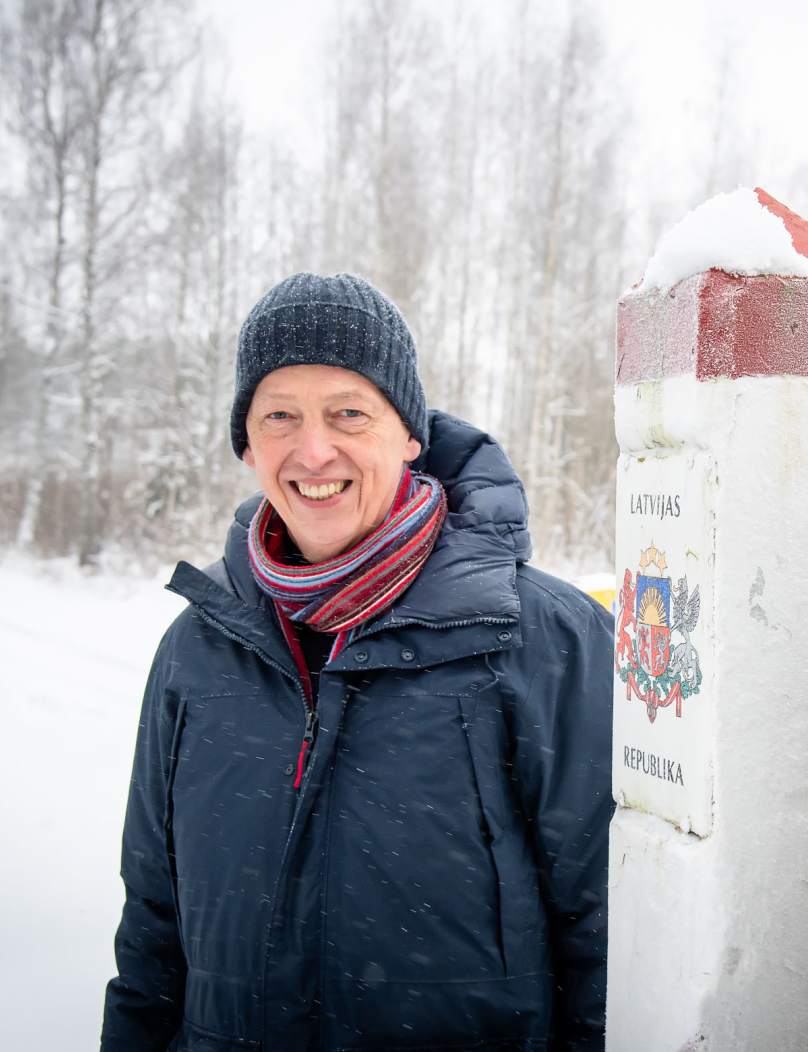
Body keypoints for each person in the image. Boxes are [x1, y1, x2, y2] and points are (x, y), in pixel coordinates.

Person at [101, 273, 613, 1051]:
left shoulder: (543, 639)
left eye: (349, 412)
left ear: (409, 434)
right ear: (248, 444)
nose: (314, 451)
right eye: (280, 416)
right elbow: (151, 932)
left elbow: (607, 936)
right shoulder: (197, 650)